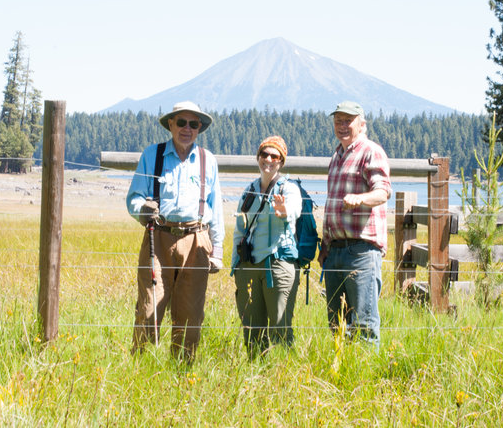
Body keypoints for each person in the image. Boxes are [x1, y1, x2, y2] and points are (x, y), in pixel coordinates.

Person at [126, 101, 224, 360]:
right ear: (170, 124)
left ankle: (183, 371)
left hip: (197, 241)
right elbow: (133, 198)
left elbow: (216, 210)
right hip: (157, 238)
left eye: (193, 124)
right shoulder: (152, 155)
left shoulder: (208, 160)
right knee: (149, 308)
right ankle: (142, 368)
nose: (187, 128)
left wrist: (218, 251)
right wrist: (142, 210)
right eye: (181, 122)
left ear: (200, 129)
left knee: (191, 314)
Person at [318, 101, 391, 344]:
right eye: (338, 120)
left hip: (362, 250)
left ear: (361, 124)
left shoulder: (371, 151)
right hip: (335, 251)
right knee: (337, 323)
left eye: (348, 120)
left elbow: (382, 192)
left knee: (364, 324)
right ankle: (342, 375)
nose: (342, 126)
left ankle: (367, 378)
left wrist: (360, 199)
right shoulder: (337, 155)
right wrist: (325, 244)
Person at [231, 136, 302, 354]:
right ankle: (256, 370)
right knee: (251, 328)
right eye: (264, 154)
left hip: (278, 265)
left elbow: (294, 210)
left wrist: (283, 212)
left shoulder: (288, 189)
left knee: (280, 326)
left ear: (281, 161)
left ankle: (282, 374)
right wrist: (236, 265)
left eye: (274, 155)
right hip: (249, 265)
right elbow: (240, 228)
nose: (268, 159)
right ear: (258, 158)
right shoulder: (250, 189)